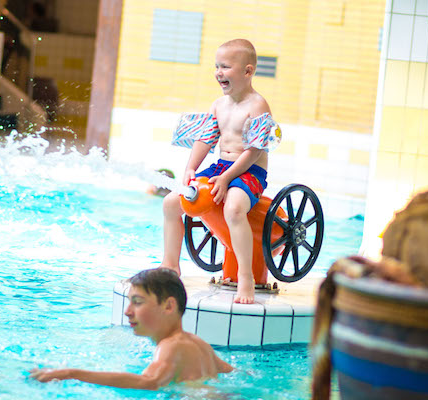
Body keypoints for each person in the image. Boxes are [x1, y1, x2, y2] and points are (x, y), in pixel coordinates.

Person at [162, 39, 279, 304]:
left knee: (233, 208)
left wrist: (227, 179)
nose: (218, 73)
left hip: (249, 171)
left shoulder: (258, 105)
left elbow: (255, 151)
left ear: (247, 72)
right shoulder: (218, 105)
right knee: (172, 202)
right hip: (221, 167)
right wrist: (191, 168)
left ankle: (246, 277)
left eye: (225, 67)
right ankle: (170, 266)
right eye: (216, 66)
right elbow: (206, 139)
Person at [30, 268, 233, 389]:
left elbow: (150, 382)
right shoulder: (198, 344)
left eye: (137, 302)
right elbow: (233, 372)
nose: (127, 311)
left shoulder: (170, 347)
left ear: (169, 306)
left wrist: (71, 373)